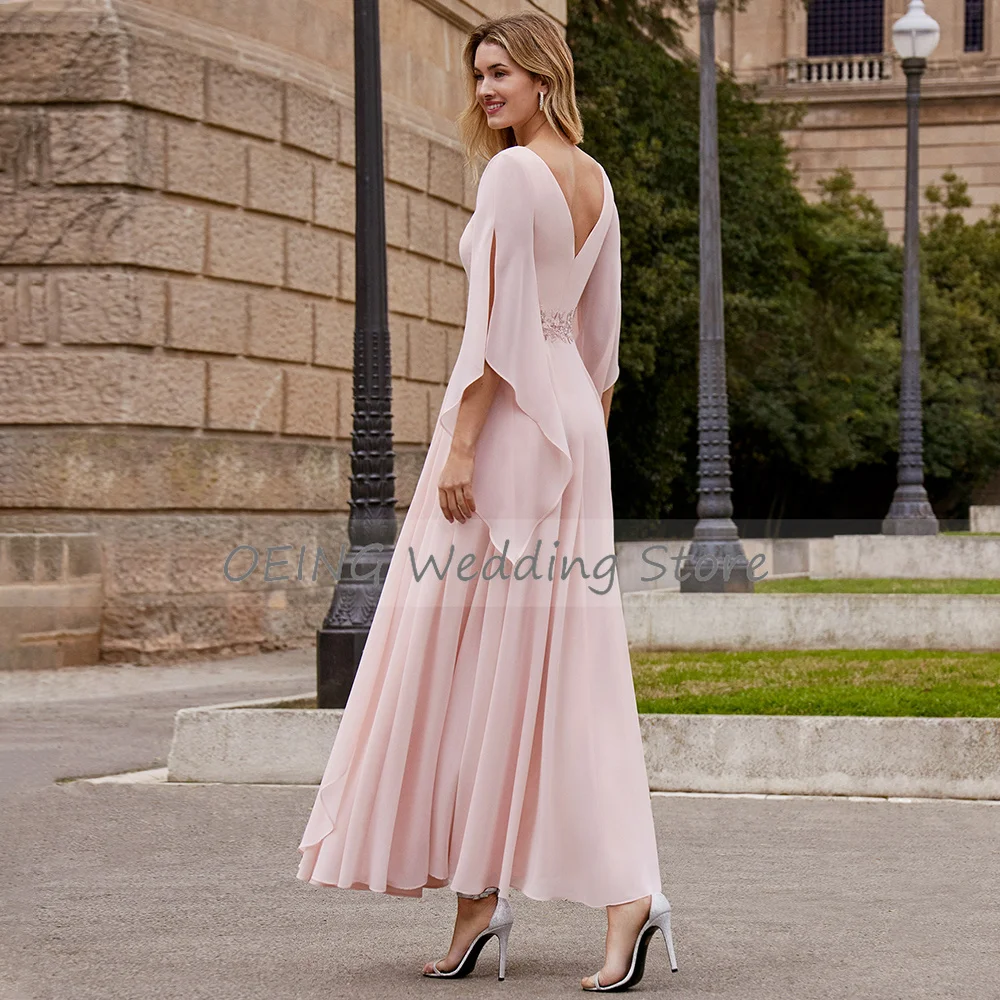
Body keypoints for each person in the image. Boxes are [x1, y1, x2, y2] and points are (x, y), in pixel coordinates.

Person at [295, 10, 678, 992]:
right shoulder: (597, 183)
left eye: (500, 72)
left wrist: (462, 443)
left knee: (470, 658)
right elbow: (599, 348)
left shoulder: (511, 175)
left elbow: (493, 329)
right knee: (557, 667)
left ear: (544, 75)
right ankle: (587, 897)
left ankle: (490, 895)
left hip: (506, 428)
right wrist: (575, 441)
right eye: (479, 75)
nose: (485, 91)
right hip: (570, 434)